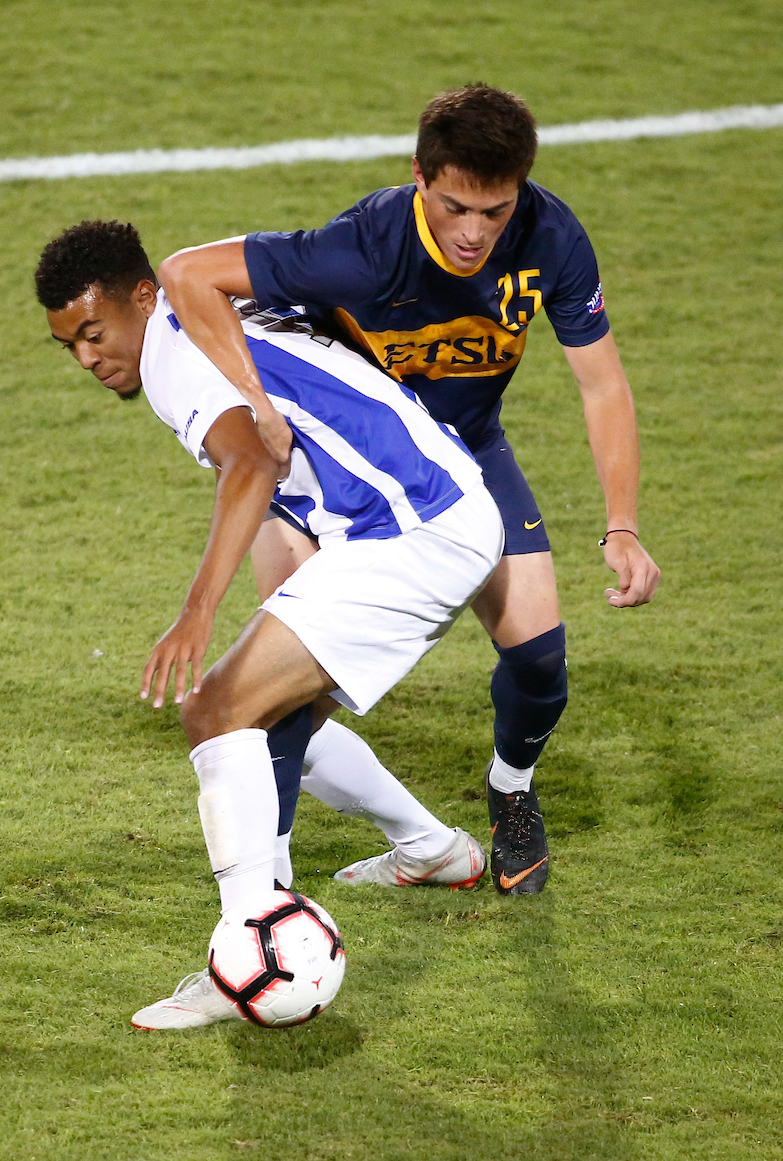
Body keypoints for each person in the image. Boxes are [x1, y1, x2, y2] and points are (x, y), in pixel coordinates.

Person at [154, 83, 662, 897]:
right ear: (419, 176)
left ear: (520, 192)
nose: (472, 233)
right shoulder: (362, 246)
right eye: (455, 206)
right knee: (286, 685)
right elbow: (187, 276)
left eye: (493, 212)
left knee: (541, 664)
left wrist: (624, 525)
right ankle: (268, 905)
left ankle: (509, 790)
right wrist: (255, 405)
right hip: (344, 471)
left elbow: (602, 385)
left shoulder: (554, 240)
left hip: (465, 457)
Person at [35, 219, 503, 1029]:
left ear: (143, 297)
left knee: (216, 710)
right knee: (273, 718)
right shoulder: (220, 311)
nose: (87, 358)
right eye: (68, 346)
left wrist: (196, 614)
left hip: (413, 530)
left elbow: (250, 460)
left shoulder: (174, 356)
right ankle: (433, 849)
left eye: (93, 332)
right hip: (429, 505)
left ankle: (244, 947)